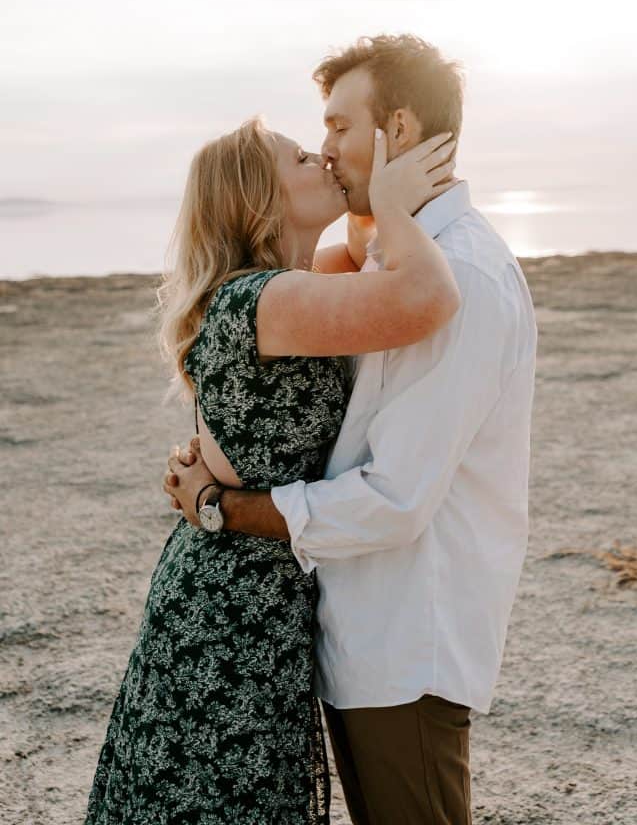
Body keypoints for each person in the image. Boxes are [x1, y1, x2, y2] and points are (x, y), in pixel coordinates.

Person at [166, 34, 537, 825]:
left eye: (338, 128)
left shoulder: (456, 273)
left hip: (407, 636)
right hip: (359, 628)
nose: (328, 152)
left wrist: (224, 508)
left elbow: (395, 498)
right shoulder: (402, 261)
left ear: (397, 131)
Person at [84, 112, 459, 825]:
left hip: (243, 584)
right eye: (299, 160)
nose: (322, 157)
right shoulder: (266, 298)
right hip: (231, 604)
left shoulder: (282, 286)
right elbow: (426, 297)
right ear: (260, 198)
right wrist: (387, 202)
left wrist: (374, 199)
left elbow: (359, 258)